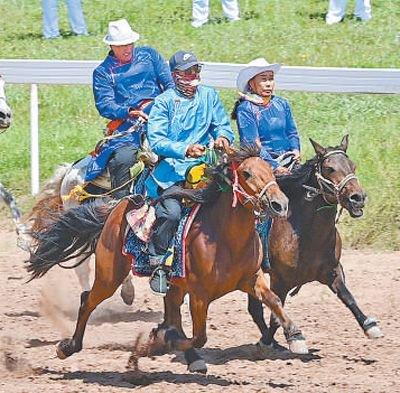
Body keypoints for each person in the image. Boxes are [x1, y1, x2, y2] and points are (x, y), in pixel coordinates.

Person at [145, 50, 235, 295]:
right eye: (188, 71)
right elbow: (157, 140)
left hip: (207, 168)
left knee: (239, 199)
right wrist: (184, 149)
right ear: (175, 76)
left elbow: (223, 126)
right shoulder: (163, 102)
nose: (194, 74)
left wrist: (223, 139)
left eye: (196, 70)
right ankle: (157, 262)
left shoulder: (209, 96)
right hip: (172, 172)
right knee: (171, 214)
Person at [86, 19, 174, 198]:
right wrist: (127, 112)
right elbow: (105, 105)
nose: (127, 49)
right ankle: (120, 204)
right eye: (121, 46)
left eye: (129, 44)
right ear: (111, 45)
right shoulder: (103, 72)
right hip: (129, 126)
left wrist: (165, 104)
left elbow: (169, 83)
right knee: (123, 159)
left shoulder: (149, 55)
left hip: (160, 115)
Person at [233, 58, 300, 176]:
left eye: (271, 79)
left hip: (288, 159)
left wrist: (295, 149)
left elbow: (292, 132)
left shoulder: (282, 104)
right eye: (264, 79)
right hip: (262, 163)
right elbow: (253, 143)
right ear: (251, 84)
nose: (268, 83)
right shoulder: (246, 109)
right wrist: (275, 166)